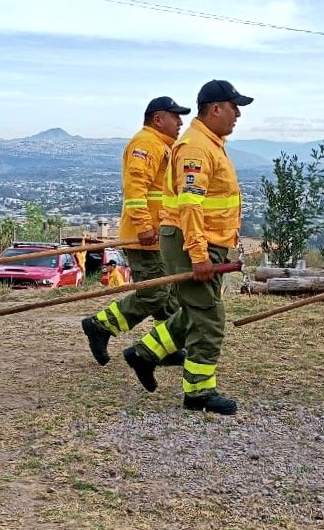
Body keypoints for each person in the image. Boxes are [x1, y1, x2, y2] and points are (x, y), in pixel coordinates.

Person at [124, 80, 252, 416]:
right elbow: (190, 207)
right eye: (234, 106)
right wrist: (198, 255)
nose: (238, 114)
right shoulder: (196, 148)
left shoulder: (210, 143)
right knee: (209, 318)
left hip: (207, 241)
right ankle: (198, 393)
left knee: (196, 311)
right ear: (215, 108)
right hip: (193, 242)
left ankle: (144, 354)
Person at [80, 97, 191, 367]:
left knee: (167, 296)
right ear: (157, 119)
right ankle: (100, 326)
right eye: (175, 116)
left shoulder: (164, 146)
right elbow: (135, 190)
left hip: (160, 234)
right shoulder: (146, 144)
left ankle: (163, 347)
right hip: (146, 237)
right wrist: (143, 226)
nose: (180, 122)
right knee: (154, 293)